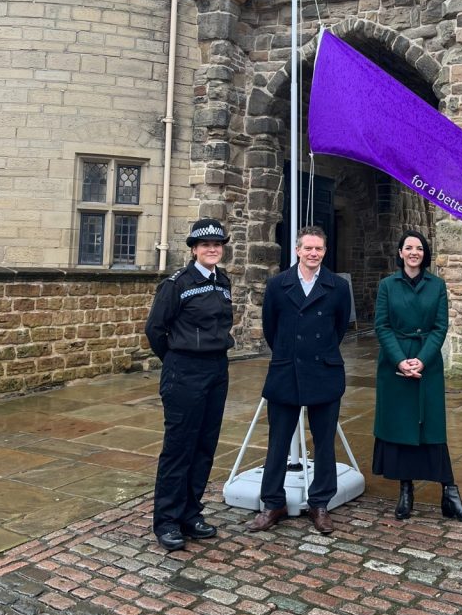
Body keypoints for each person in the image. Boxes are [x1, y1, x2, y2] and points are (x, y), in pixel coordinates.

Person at [247, 225, 352, 536]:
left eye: (318, 249)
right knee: (277, 442)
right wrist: (289, 351)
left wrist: (317, 351)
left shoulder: (337, 286)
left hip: (324, 369)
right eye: (308, 248)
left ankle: (320, 504)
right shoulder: (279, 285)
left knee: (324, 443)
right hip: (286, 369)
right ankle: (272, 503)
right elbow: (271, 327)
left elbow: (339, 328)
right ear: (297, 250)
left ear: (324, 251)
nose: (313, 254)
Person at [372, 230, 462, 523]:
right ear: (400, 252)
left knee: (431, 429)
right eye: (408, 247)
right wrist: (400, 360)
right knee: (402, 429)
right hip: (395, 365)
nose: (414, 252)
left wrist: (422, 359)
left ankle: (450, 493)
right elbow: (381, 326)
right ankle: (405, 490)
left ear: (424, 253)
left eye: (419, 248)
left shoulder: (437, 286)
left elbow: (440, 326)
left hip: (426, 363)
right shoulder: (387, 286)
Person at [145, 218, 235, 552]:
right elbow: (155, 329)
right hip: (184, 370)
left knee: (204, 445)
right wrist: (176, 360)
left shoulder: (222, 281)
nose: (212, 249)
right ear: (194, 249)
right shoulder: (177, 284)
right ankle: (167, 520)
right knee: (179, 447)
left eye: (217, 244)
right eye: (205, 245)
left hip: (216, 370)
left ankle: (190, 513)